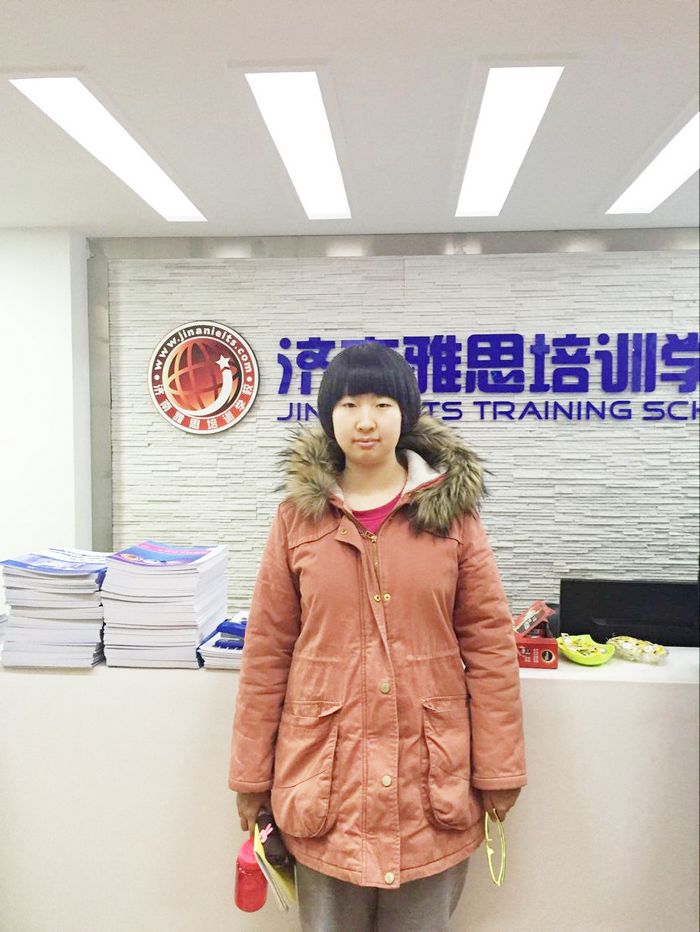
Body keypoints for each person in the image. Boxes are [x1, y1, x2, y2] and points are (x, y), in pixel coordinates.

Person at [228, 342, 526, 932]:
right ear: (328, 416)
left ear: (405, 413)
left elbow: (490, 645)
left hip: (430, 779)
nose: (366, 421)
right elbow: (266, 651)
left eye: (383, 404)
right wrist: (250, 776)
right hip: (325, 779)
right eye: (349, 404)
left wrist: (499, 770)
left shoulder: (451, 515)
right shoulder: (297, 518)